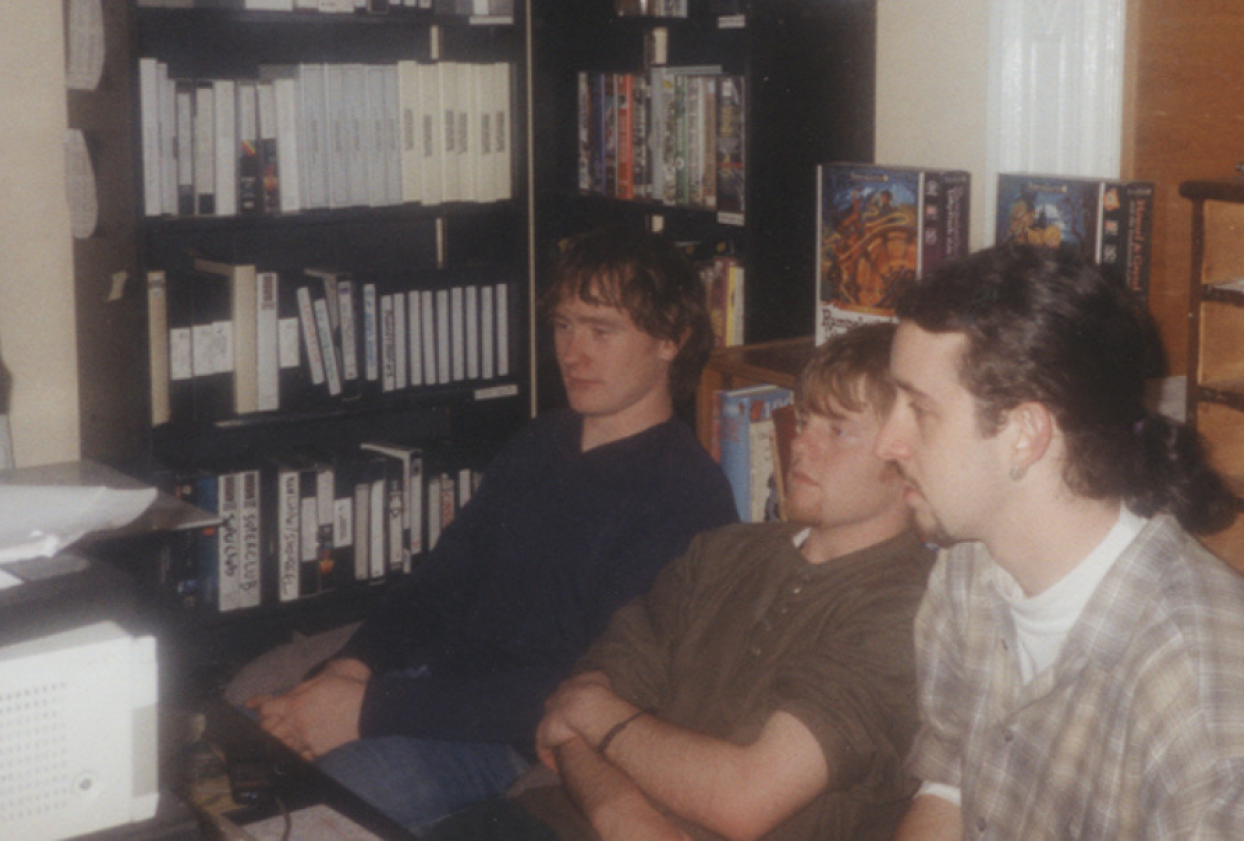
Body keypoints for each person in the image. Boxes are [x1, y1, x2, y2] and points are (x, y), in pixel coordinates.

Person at [243, 228, 739, 833]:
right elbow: (445, 576)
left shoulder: (684, 497)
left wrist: (369, 710)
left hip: (509, 736)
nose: (573, 353)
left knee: (303, 810)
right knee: (243, 735)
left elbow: (590, 691)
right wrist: (354, 667)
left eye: (601, 331)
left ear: (670, 341)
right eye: (563, 326)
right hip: (430, 679)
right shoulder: (545, 439)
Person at [875, 244, 1244, 839]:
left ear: (1024, 435)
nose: (887, 442)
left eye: (919, 409)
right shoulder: (970, 571)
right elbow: (951, 790)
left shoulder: (1211, 718)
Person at [432, 322, 935, 841]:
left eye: (838, 429)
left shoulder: (912, 609)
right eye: (803, 419)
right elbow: (566, 716)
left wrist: (601, 718)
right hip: (562, 818)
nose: (800, 444)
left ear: (909, 454)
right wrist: (622, 812)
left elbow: (744, 800)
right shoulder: (722, 551)